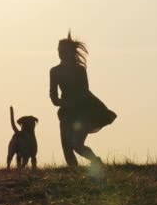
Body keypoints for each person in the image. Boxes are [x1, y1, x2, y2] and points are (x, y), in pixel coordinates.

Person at [49, 31, 117, 167]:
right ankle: (73, 171)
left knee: (77, 145)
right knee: (66, 144)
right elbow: (53, 96)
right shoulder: (55, 71)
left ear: (70, 52)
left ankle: (96, 162)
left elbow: (85, 90)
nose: (60, 53)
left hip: (83, 111)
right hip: (66, 111)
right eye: (59, 50)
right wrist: (63, 103)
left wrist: (78, 104)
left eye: (63, 50)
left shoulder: (80, 70)